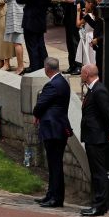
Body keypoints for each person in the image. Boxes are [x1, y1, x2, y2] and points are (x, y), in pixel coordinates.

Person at [32, 57, 71, 208]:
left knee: (55, 164)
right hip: (58, 128)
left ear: (47, 68)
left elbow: (40, 105)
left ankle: (56, 197)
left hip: (54, 129)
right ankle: (51, 194)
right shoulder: (62, 82)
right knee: (54, 164)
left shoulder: (52, 85)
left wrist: (36, 114)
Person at [79, 63, 109, 217]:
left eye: (81, 73)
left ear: (87, 74)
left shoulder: (99, 90)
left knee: (99, 173)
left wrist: (107, 133)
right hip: (92, 136)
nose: (80, 75)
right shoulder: (93, 89)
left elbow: (106, 115)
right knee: (96, 172)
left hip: (97, 137)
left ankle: (100, 205)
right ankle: (97, 203)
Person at [16, 0, 54, 74]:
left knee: (32, 46)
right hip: (40, 20)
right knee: (40, 45)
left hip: (31, 21)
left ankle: (35, 68)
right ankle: (43, 66)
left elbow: (20, 0)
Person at [62, 0, 88, 74]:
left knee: (76, 41)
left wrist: (75, 0)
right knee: (69, 41)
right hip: (69, 16)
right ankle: (71, 64)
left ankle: (78, 65)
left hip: (77, 16)